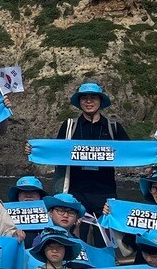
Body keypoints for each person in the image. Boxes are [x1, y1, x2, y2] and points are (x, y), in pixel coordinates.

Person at [44, 81, 130, 212]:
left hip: (105, 192)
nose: (88, 101)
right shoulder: (69, 126)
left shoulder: (113, 127)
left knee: (103, 232)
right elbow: (56, 152)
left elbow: (131, 152)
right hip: (74, 192)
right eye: (84, 98)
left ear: (100, 101)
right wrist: (33, 149)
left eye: (93, 97)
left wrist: (154, 152)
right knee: (76, 232)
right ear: (79, 102)